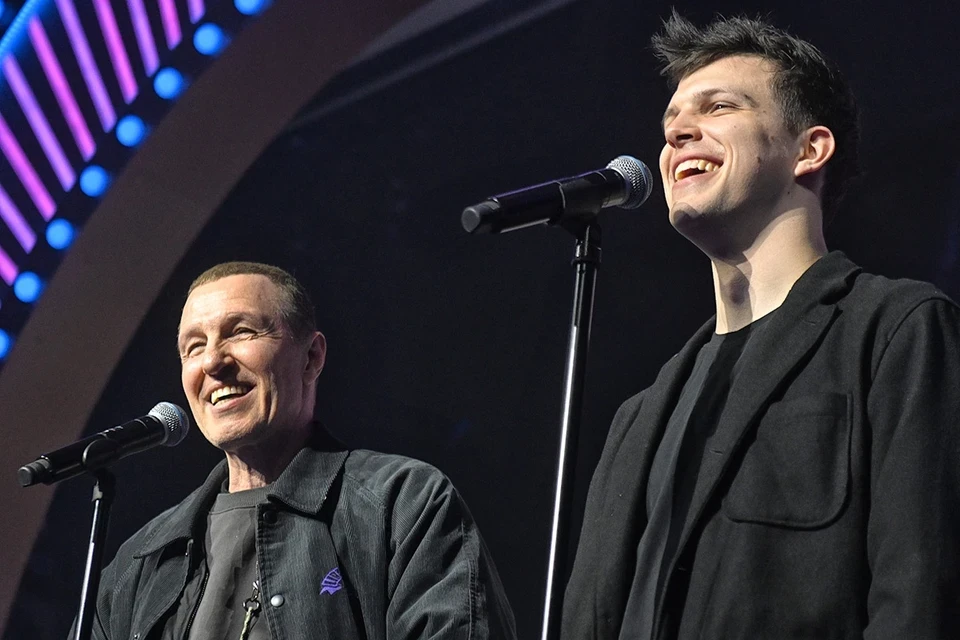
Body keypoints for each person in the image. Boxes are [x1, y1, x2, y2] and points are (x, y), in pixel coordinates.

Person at [561, 12, 960, 640]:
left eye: (719, 107)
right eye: (670, 124)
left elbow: (920, 593)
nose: (677, 134)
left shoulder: (896, 332)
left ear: (810, 149)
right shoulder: (639, 417)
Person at [80, 262, 517, 639]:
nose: (213, 362)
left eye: (241, 331)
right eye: (194, 346)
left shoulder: (403, 503)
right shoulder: (142, 561)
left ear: (311, 357)